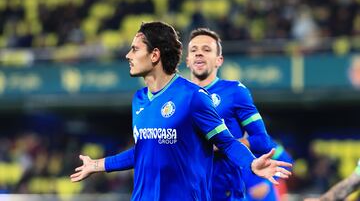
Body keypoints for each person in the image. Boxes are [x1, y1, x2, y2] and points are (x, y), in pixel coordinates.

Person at [70, 21, 292, 201]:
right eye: (194, 49)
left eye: (135, 49)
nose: (128, 55)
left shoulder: (193, 97)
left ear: (155, 55)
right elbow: (144, 150)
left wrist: (251, 164)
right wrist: (97, 165)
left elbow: (226, 142)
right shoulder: (138, 99)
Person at [186, 28, 294, 201]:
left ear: (218, 60)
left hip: (226, 194)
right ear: (187, 60)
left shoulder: (234, 91)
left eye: (206, 50)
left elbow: (263, 141)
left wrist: (224, 144)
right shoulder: (175, 97)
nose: (199, 54)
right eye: (194, 50)